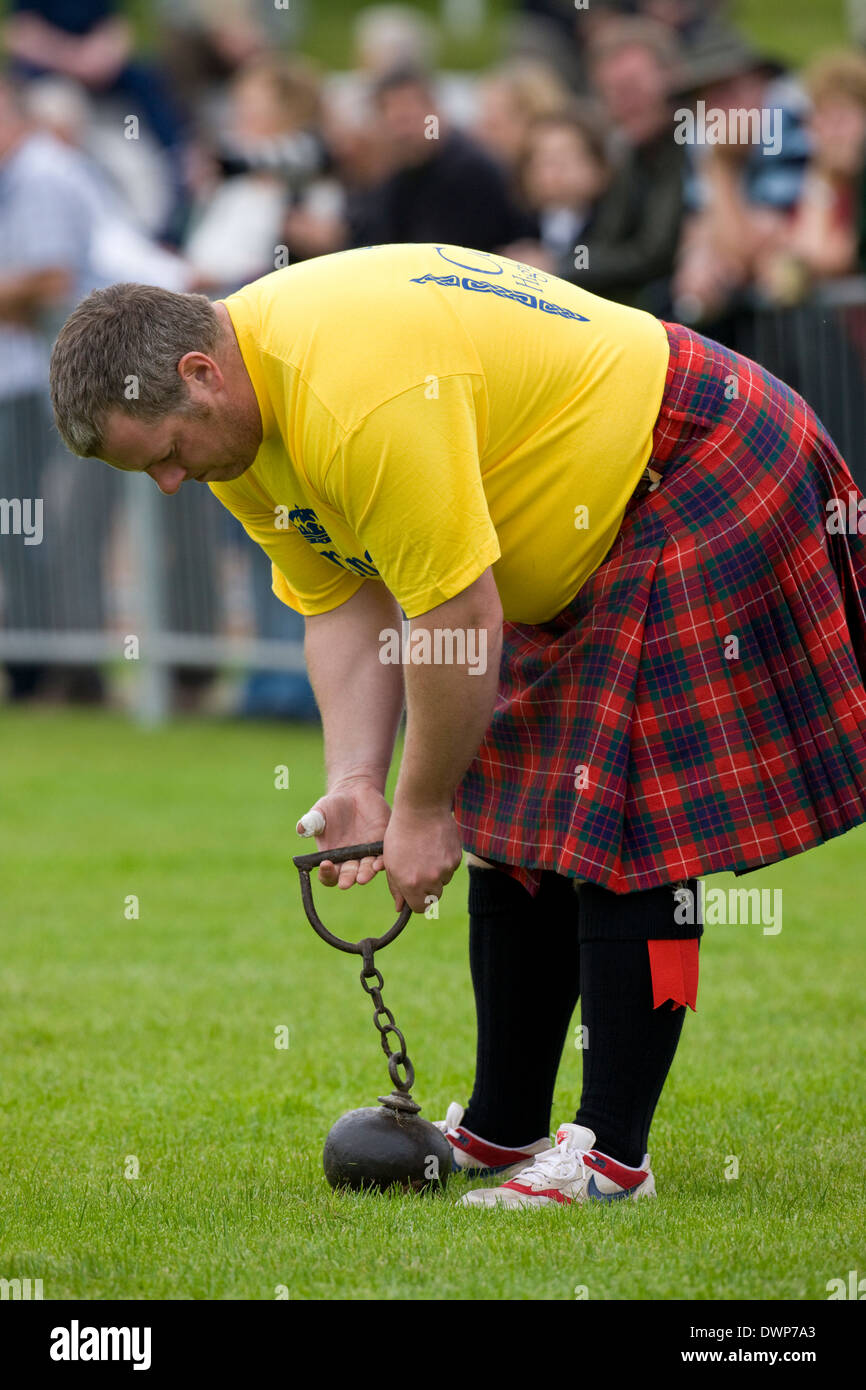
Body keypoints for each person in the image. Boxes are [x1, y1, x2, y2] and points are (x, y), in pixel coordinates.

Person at [49, 244, 866, 1209]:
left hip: (700, 456)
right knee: (518, 820)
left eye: (169, 455)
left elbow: (453, 620)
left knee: (637, 830)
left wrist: (425, 805)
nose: (173, 485)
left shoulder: (354, 393)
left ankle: (611, 1158)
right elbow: (340, 605)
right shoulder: (236, 430)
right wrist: (359, 779)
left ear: (198, 373)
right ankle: (505, 1125)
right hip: (591, 516)